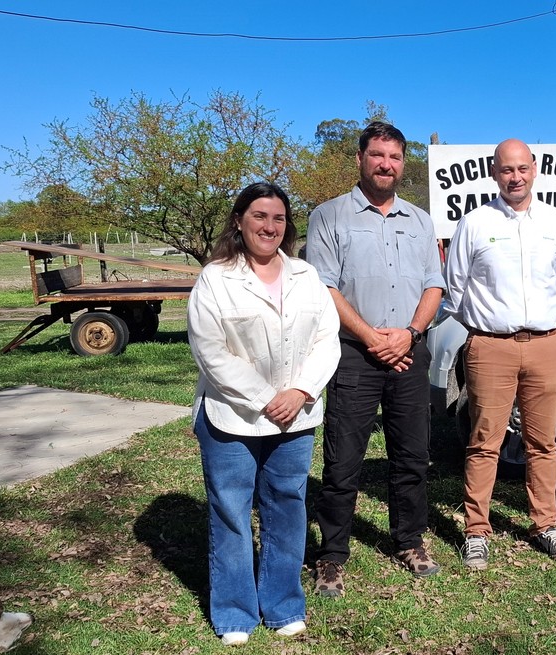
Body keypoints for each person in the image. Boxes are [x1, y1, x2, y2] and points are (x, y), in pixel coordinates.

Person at [188, 182, 341, 646]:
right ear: (239, 221)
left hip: (296, 415)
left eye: (277, 218)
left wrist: (299, 391)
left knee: (287, 507)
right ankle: (234, 613)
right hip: (231, 416)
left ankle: (282, 604)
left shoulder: (304, 275)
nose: (269, 226)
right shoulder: (215, 278)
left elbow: (326, 339)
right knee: (232, 512)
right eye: (259, 216)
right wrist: (264, 397)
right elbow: (210, 350)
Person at [305, 122, 446, 596]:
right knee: (344, 458)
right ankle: (332, 555)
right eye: (377, 155)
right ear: (361, 159)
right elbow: (324, 286)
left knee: (412, 454)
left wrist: (408, 334)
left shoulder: (421, 221)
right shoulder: (328, 216)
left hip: (409, 351)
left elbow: (434, 284)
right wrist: (372, 339)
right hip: (353, 355)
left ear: (404, 163)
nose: (387, 164)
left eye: (395, 157)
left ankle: (409, 539)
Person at [444, 138, 556, 570]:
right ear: (494, 173)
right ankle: (477, 530)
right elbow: (455, 287)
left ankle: (545, 525)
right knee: (485, 442)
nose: (515, 177)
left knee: (544, 443)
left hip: (544, 345)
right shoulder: (475, 223)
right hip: (491, 347)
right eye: (506, 170)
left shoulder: (555, 222)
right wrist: (485, 329)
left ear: (534, 169)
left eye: (522, 168)